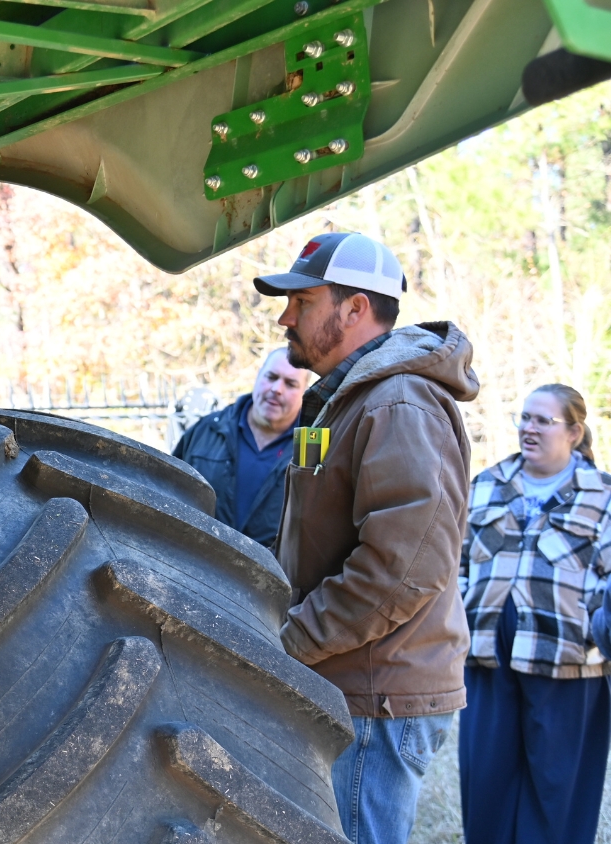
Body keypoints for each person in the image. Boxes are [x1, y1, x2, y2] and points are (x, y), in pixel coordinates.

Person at [255, 231, 477, 844]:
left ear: (354, 309)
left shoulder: (398, 404)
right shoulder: (351, 401)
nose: (285, 317)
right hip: (351, 679)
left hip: (376, 694)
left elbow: (402, 570)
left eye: (302, 302)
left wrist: (290, 640)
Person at [460, 384, 611, 844]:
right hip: (488, 662)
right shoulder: (487, 486)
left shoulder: (602, 496)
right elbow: (457, 566)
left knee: (557, 801)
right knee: (485, 788)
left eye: (543, 420)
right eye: (524, 418)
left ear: (574, 431)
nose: (529, 428)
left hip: (570, 670)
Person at [173, 349, 309, 546]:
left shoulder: (311, 451)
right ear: (258, 376)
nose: (277, 389)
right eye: (271, 377)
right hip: (196, 567)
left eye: (291, 384)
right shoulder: (206, 431)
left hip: (272, 575)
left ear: (305, 392)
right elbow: (168, 494)